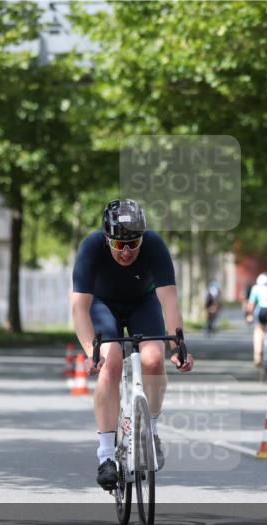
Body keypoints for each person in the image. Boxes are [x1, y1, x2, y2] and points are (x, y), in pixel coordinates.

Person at [71, 198, 195, 490]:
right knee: (110, 363)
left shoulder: (154, 246)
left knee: (153, 358)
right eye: (118, 245)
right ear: (106, 239)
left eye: (132, 244)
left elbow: (169, 300)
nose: (126, 252)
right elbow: (79, 308)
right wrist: (92, 352)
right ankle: (105, 456)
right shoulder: (90, 248)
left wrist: (178, 346)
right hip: (102, 305)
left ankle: (150, 432)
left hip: (143, 302)